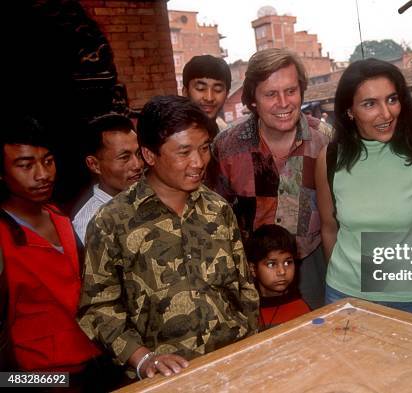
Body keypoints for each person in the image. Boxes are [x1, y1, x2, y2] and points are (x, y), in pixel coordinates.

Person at [78, 96, 259, 381]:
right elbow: (98, 308)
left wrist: (251, 343)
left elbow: (243, 288)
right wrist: (142, 358)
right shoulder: (111, 221)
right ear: (150, 155)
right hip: (166, 377)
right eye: (184, 152)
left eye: (204, 148)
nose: (198, 162)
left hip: (233, 362)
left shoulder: (218, 210)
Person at [314, 58, 412, 320]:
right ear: (349, 111)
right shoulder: (330, 158)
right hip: (343, 298)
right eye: (370, 104)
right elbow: (329, 228)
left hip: (410, 302)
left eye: (392, 99)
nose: (387, 113)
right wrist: (344, 286)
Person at [0, 116, 115, 388]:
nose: (42, 174)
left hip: (96, 361)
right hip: (43, 377)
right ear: (2, 173)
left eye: (48, 161)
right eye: (25, 165)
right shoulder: (4, 236)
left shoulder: (60, 217)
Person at [212, 48, 331, 310]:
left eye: (291, 91)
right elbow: (216, 218)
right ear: (252, 99)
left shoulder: (325, 140)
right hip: (249, 272)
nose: (284, 103)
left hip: (312, 263)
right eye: (270, 94)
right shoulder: (227, 147)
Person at [72, 113, 143, 243]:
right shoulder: (90, 223)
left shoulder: (153, 197)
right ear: (94, 165)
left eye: (138, 154)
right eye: (124, 157)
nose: (137, 165)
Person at [246, 224, 310, 331]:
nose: (282, 271)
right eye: (271, 264)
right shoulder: (244, 310)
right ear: (253, 269)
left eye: (287, 262)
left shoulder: (301, 311)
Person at [182, 55, 231, 131]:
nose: (209, 98)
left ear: (227, 94)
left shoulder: (227, 136)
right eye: (200, 88)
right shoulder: (170, 136)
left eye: (218, 89)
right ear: (185, 92)